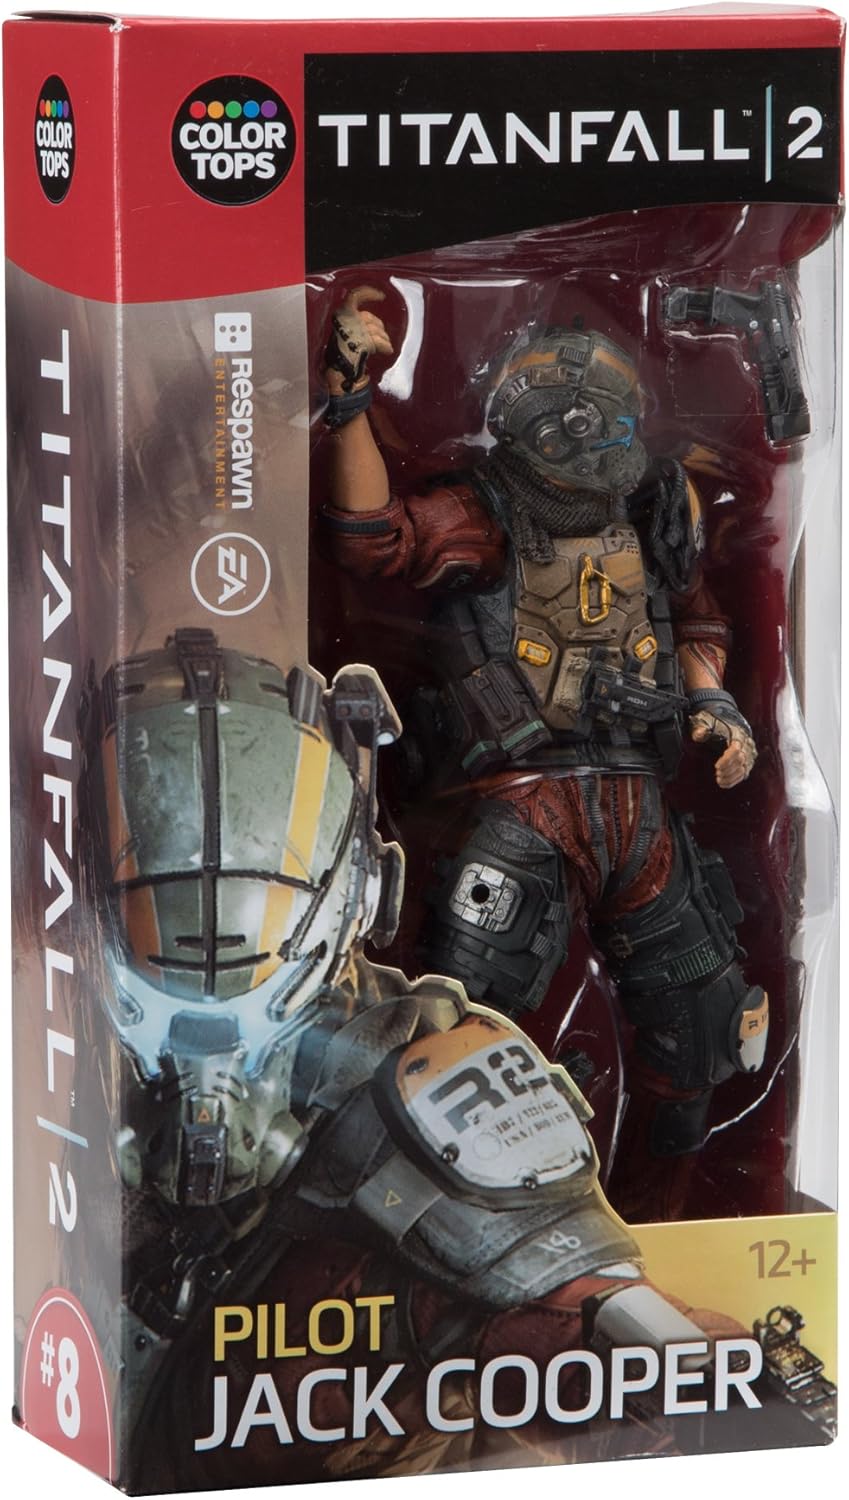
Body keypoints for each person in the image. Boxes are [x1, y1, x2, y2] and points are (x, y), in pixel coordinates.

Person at [80, 630, 749, 1486]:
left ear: (365, 894)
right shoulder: (60, 1026)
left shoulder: (422, 1068)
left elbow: (588, 1313)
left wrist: (693, 1377)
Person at [318, 288, 766, 1222]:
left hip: (636, 806)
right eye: (557, 405)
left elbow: (694, 619)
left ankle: (660, 1220)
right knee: (459, 1030)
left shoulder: (654, 509)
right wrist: (353, 403)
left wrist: (713, 707)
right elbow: (372, 539)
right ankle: (470, 1225)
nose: (579, 423)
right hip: (524, 806)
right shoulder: (482, 510)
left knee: (700, 1021)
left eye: (599, 404)